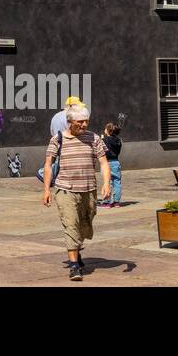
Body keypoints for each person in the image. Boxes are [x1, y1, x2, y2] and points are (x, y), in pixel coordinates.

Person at [41, 103, 110, 281]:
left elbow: (103, 163)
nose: (84, 125)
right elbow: (48, 165)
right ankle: (74, 266)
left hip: (89, 189)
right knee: (71, 225)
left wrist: (107, 184)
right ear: (70, 121)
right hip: (65, 190)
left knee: (85, 224)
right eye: (80, 121)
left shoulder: (94, 138)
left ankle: (76, 249)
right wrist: (46, 189)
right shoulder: (57, 139)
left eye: (86, 121)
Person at [101, 122, 123, 208]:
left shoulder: (105, 140)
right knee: (117, 182)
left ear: (108, 130)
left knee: (107, 181)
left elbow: (102, 149)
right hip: (116, 162)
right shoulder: (119, 140)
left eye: (105, 128)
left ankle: (107, 202)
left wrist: (102, 139)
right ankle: (116, 202)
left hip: (107, 162)